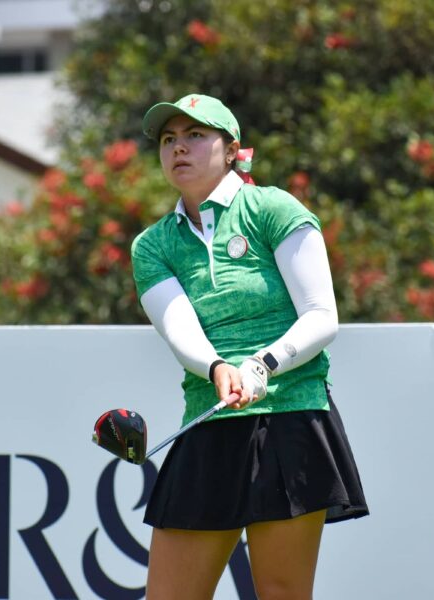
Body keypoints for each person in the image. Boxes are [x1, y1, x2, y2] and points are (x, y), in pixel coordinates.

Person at [131, 93, 368, 600]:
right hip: (210, 420)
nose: (179, 148)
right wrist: (218, 367)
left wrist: (263, 365)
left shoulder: (272, 209)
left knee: (282, 592)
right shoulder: (152, 245)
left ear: (232, 149)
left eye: (196, 135)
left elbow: (321, 316)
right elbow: (180, 329)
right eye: (169, 139)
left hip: (290, 417)